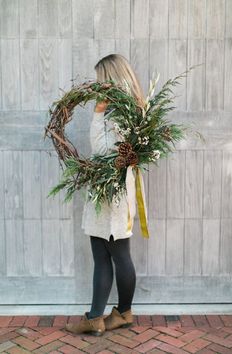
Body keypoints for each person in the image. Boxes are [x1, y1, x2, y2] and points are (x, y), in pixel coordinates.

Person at [65, 54, 146, 336]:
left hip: (112, 189)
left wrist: (99, 111)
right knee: (104, 251)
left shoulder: (117, 111)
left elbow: (101, 150)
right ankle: (98, 316)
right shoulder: (133, 107)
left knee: (116, 253)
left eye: (101, 78)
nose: (98, 84)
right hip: (112, 188)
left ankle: (119, 313)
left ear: (110, 78)